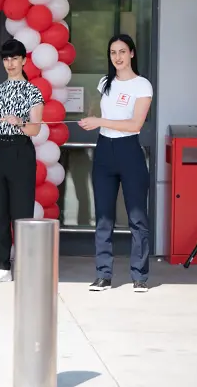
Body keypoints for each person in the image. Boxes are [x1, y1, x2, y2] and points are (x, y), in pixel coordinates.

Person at [78, 34, 152, 293]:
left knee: (137, 216)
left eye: (122, 51)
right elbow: (96, 112)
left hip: (129, 150)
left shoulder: (142, 85)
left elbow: (135, 124)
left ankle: (140, 276)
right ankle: (103, 274)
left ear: (132, 53)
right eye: (113, 53)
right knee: (104, 216)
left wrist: (99, 121)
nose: (117, 57)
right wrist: (91, 119)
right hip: (104, 150)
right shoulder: (104, 83)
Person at [0, 39, 44, 283]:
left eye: (14, 58)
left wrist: (19, 122)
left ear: (23, 60)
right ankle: (1, 265)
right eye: (6, 59)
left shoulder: (32, 91)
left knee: (21, 211)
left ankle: (25, 266)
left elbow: (35, 129)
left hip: (20, 151)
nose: (10, 64)